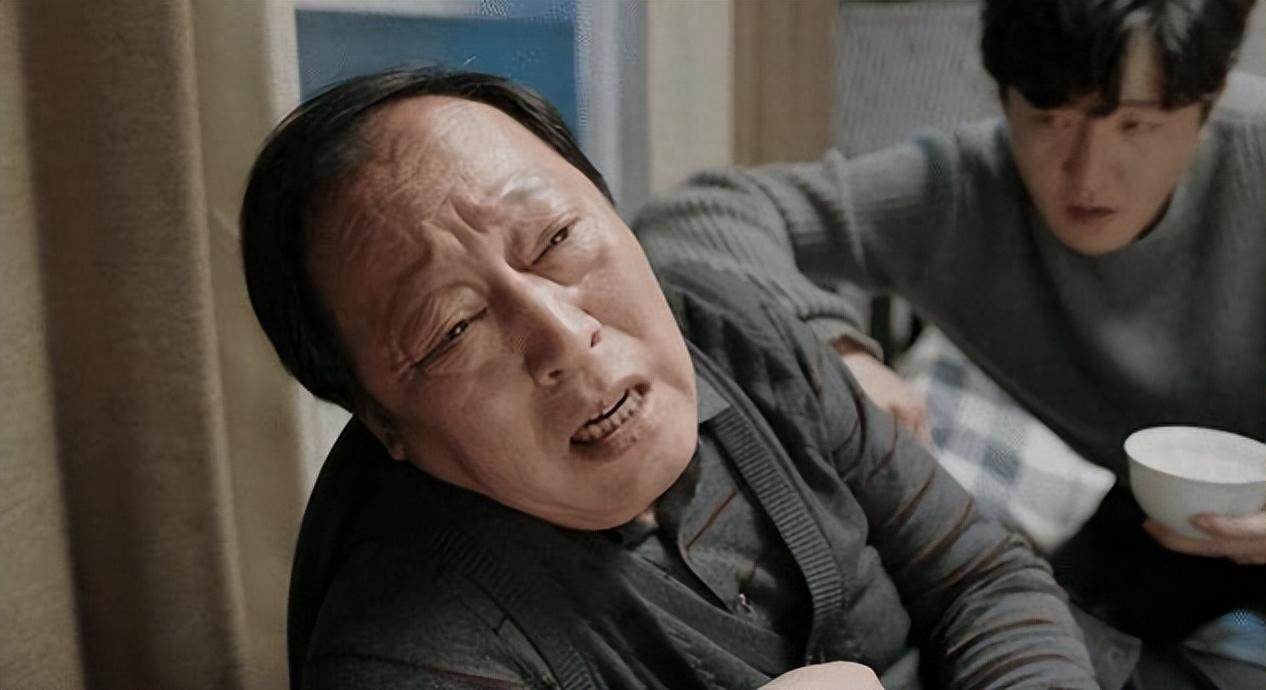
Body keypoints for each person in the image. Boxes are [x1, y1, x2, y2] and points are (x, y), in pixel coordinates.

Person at [239, 68, 1104, 689]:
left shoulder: (735, 328)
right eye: (454, 327)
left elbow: (983, 579)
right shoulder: (415, 655)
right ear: (384, 423)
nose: (562, 335)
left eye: (556, 238)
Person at [632, 0, 1264, 686]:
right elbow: (695, 215)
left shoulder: (1254, 160)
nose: (1088, 174)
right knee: (1040, 635)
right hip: (1153, 514)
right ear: (1005, 99)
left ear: (1208, 104)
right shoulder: (965, 191)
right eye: (1051, 118)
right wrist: (833, 347)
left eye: (1136, 124)